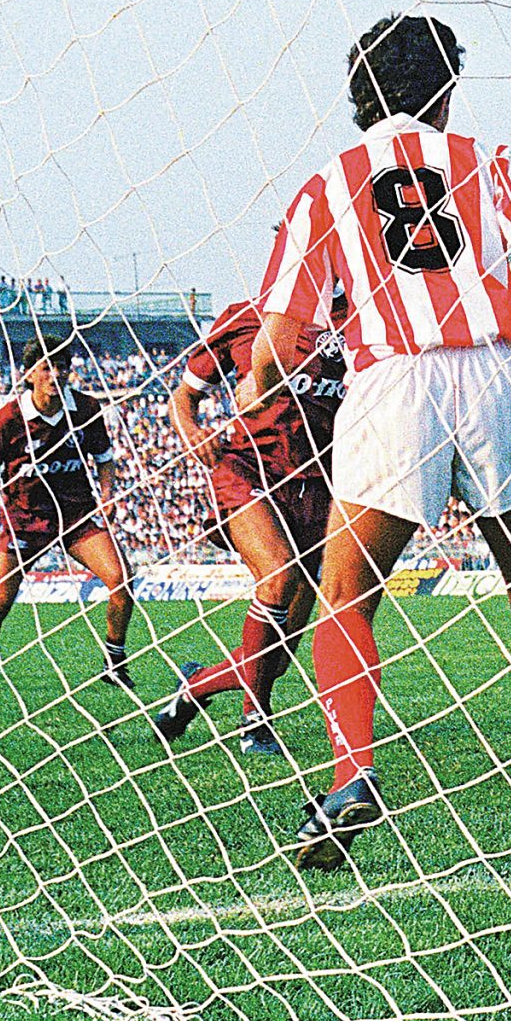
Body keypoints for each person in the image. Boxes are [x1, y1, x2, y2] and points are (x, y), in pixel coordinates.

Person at [251, 14, 511, 869]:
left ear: (360, 95)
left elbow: (280, 337)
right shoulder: (484, 158)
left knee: (346, 597)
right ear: (445, 89)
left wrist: (261, 386)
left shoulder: (328, 183)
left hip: (394, 380)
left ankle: (353, 776)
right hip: (500, 375)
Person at [149, 292, 348, 755]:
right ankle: (254, 724)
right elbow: (184, 396)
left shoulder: (363, 317)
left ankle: (193, 687)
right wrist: (193, 432)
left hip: (319, 486)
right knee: (278, 576)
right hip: (247, 469)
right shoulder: (246, 316)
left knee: (274, 660)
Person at [0, 335, 137, 695]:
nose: (55, 374)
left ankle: (114, 663)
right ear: (29, 375)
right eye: (46, 368)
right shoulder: (7, 419)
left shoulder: (86, 409)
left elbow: (105, 459)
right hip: (25, 519)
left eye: (61, 367)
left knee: (121, 579)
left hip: (75, 514)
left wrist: (107, 496)